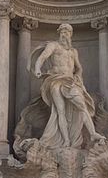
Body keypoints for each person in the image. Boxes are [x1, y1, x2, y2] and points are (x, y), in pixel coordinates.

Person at [34, 23, 101, 151]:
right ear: (59, 33)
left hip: (70, 81)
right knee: (60, 111)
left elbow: (79, 67)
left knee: (82, 106)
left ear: (71, 35)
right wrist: (37, 68)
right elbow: (42, 57)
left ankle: (92, 134)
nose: (65, 34)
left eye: (67, 32)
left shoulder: (73, 51)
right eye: (63, 32)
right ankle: (66, 141)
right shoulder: (53, 45)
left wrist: (78, 76)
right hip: (56, 80)